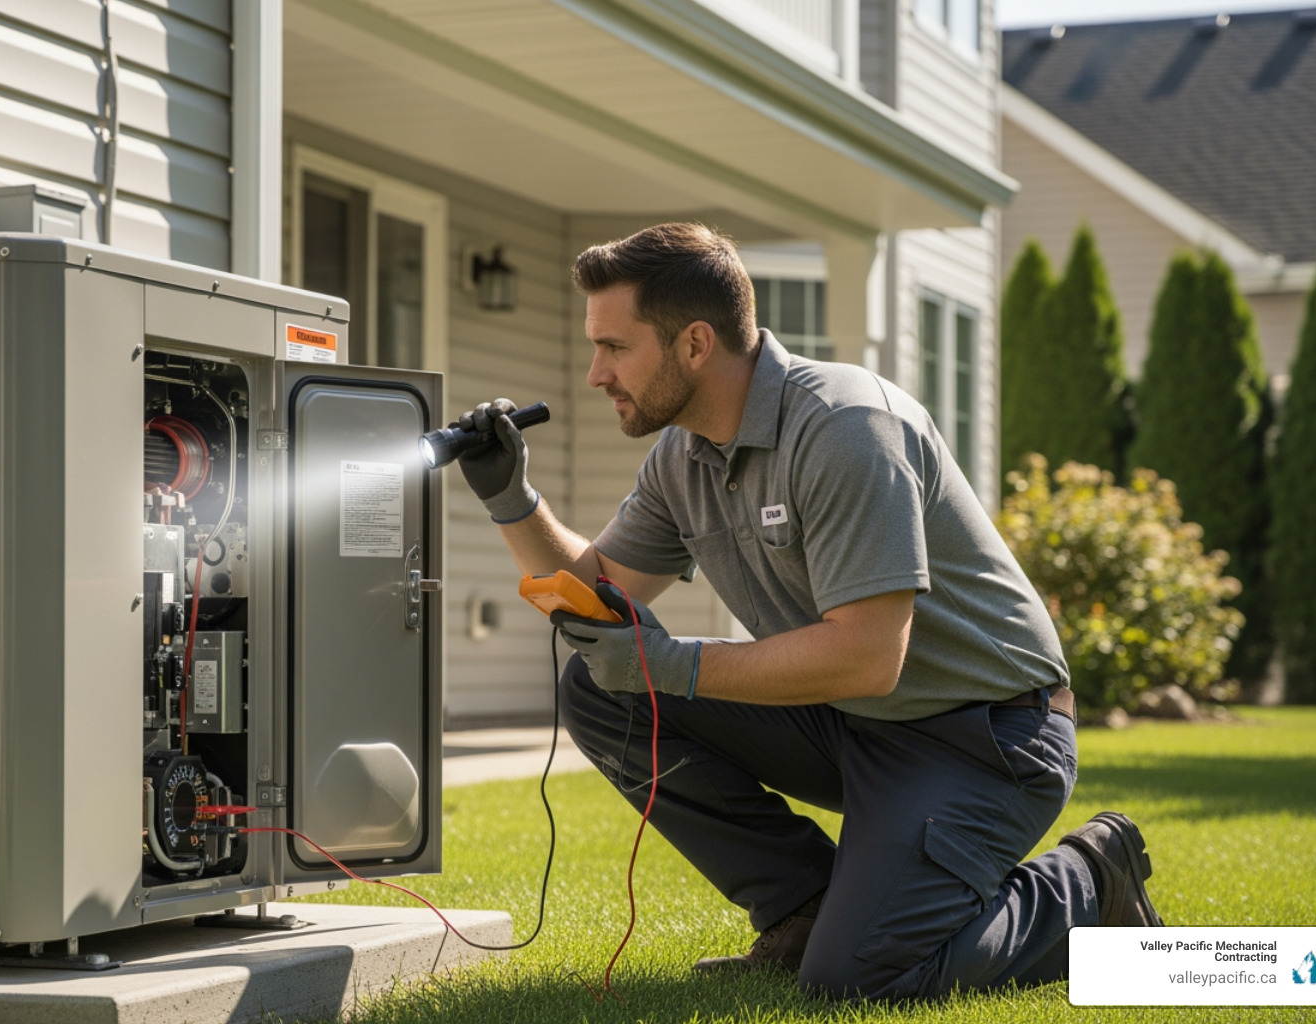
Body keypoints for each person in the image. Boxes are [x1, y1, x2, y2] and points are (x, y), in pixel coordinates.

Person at [452, 223, 1163, 1001]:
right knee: (603, 688)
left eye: (615, 348)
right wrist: (509, 497)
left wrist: (673, 664)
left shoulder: (847, 428)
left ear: (694, 344)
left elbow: (867, 656)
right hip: (854, 721)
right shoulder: (682, 457)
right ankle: (803, 909)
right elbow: (599, 589)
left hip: (985, 738)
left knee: (864, 978)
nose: (595, 374)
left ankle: (1089, 881)